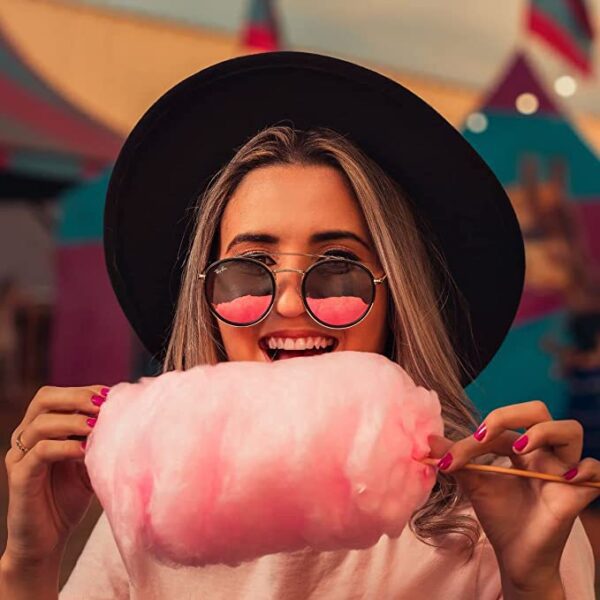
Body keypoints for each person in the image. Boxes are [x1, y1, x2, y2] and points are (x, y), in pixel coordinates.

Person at [1, 51, 597, 600]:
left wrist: (530, 579)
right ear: (205, 302)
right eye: (249, 269)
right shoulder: (152, 506)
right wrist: (29, 563)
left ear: (398, 300)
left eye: (338, 270)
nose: (289, 303)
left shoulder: (507, 515)